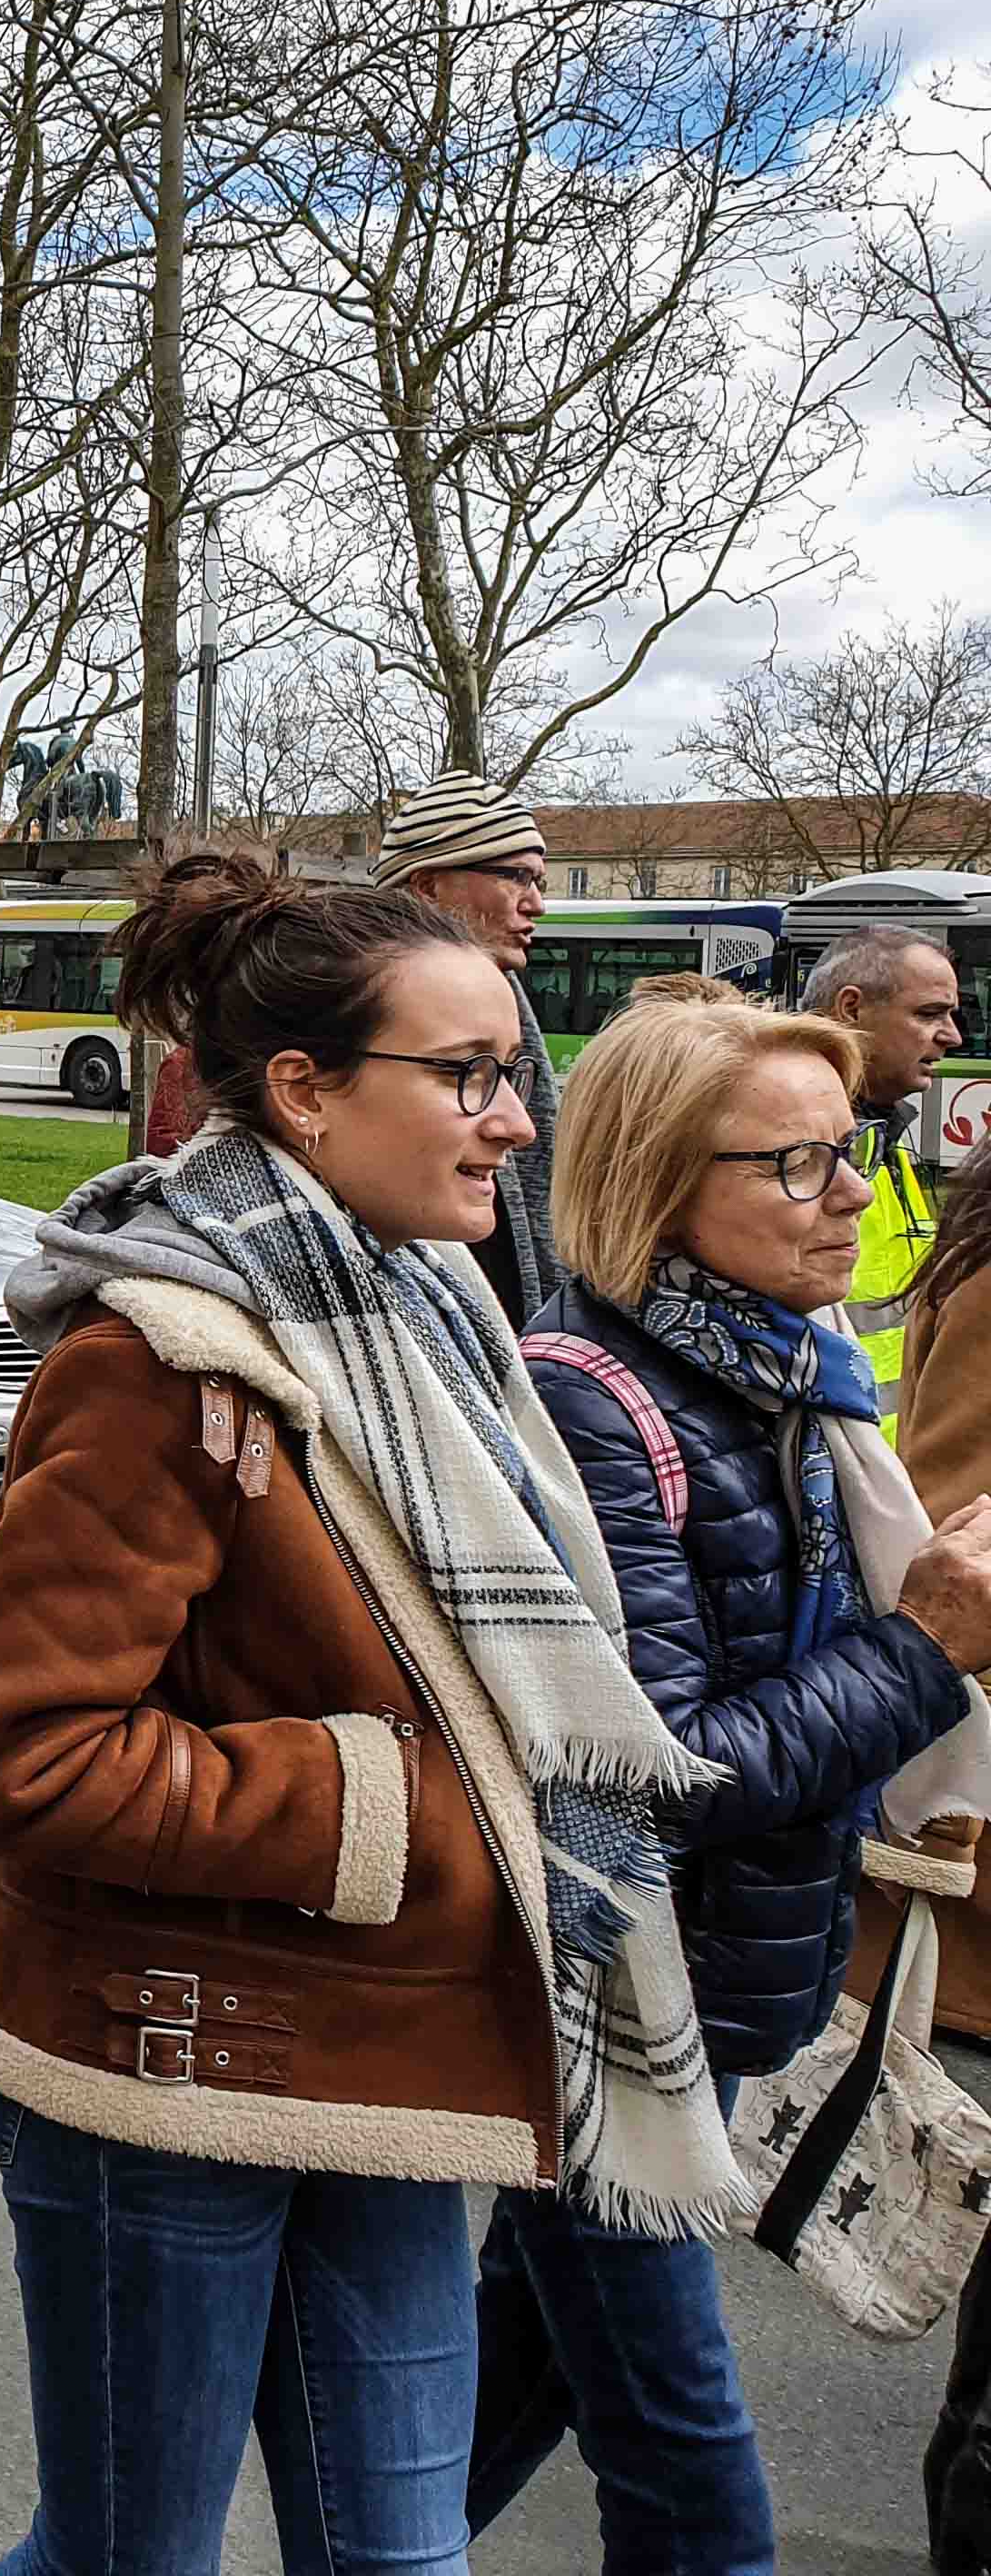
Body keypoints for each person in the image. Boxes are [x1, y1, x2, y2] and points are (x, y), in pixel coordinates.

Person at [0, 849, 746, 2576]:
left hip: (395, 2050)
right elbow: (22, 1757)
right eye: (462, 1074)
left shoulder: (429, 1307)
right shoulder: (161, 1352)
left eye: (511, 1071)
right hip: (171, 2069)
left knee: (398, 2554)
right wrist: (389, 1801)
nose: (512, 1118)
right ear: (302, 1091)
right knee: (124, 2556)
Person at [474, 979, 991, 2571]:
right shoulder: (593, 1394)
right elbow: (669, 1766)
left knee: (496, 2399)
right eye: (795, 1163)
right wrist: (926, 1645)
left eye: (856, 1148)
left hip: (702, 2008)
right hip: (611, 2016)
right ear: (652, 1178)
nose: (852, 1193)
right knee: (701, 2500)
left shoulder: (793, 1369)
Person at [369, 771, 562, 1328]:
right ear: (428, 886)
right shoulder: (352, 1006)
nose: (537, 905)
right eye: (516, 877)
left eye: (540, 880)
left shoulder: (505, 992)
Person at [800, 925, 962, 1436]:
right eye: (929, 1013)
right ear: (851, 1009)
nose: (952, 1035)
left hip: (882, 1467)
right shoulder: (796, 1145)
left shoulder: (881, 1136)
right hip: (830, 1469)